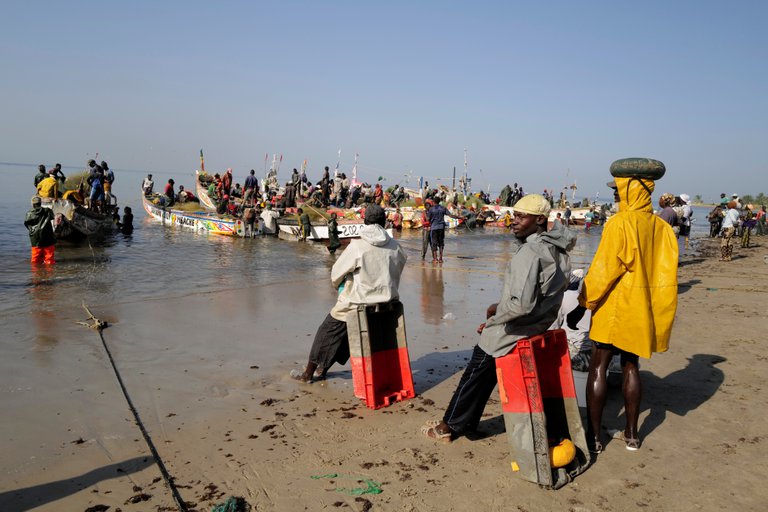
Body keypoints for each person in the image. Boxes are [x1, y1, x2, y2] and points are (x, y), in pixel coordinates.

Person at [421, 194, 576, 442]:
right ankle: (466, 422)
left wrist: (495, 313)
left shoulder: (531, 252)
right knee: (485, 374)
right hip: (537, 326)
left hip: (514, 328)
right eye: (514, 216)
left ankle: (448, 426)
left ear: (539, 219)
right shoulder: (558, 249)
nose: (514, 221)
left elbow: (521, 304)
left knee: (474, 372)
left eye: (521, 217)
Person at [568, 175, 678, 453]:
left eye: (618, 193)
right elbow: (665, 275)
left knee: (599, 366)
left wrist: (583, 304)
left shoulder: (620, 223)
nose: (616, 198)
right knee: (631, 366)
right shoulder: (661, 227)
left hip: (615, 308)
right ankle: (632, 434)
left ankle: (594, 437)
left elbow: (604, 270)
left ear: (631, 193)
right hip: (642, 309)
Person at [290, 205, 407, 382]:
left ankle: (308, 374)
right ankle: (322, 370)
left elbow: (336, 274)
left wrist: (342, 286)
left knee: (327, 331)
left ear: (365, 221)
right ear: (383, 222)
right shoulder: (396, 247)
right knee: (343, 329)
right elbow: (398, 269)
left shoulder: (358, 246)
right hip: (388, 306)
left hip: (358, 304)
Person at [24, 196, 56, 265]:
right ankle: (49, 273)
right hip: (48, 237)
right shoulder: (47, 211)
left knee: (35, 260)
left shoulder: (29, 213)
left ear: (32, 204)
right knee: (49, 259)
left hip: (35, 238)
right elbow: (53, 217)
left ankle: (36, 274)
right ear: (40, 203)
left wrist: (33, 231)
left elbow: (26, 224)